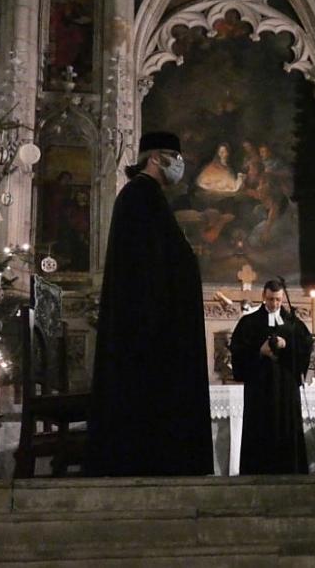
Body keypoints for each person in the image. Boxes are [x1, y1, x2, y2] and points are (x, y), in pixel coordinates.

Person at [86, 131, 214, 476]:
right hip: (147, 326)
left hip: (152, 319)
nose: (180, 164)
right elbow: (148, 265)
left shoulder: (147, 196)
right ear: (155, 157)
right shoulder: (140, 197)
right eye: (174, 156)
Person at [230, 280, 313, 474]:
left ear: (282, 298)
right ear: (263, 297)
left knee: (287, 427)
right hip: (259, 387)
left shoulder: (292, 323)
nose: (274, 304)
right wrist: (259, 351)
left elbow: (305, 346)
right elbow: (237, 350)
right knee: (259, 427)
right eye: (270, 299)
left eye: (278, 300)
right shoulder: (249, 322)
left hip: (286, 387)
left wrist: (287, 345)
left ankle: (290, 471)